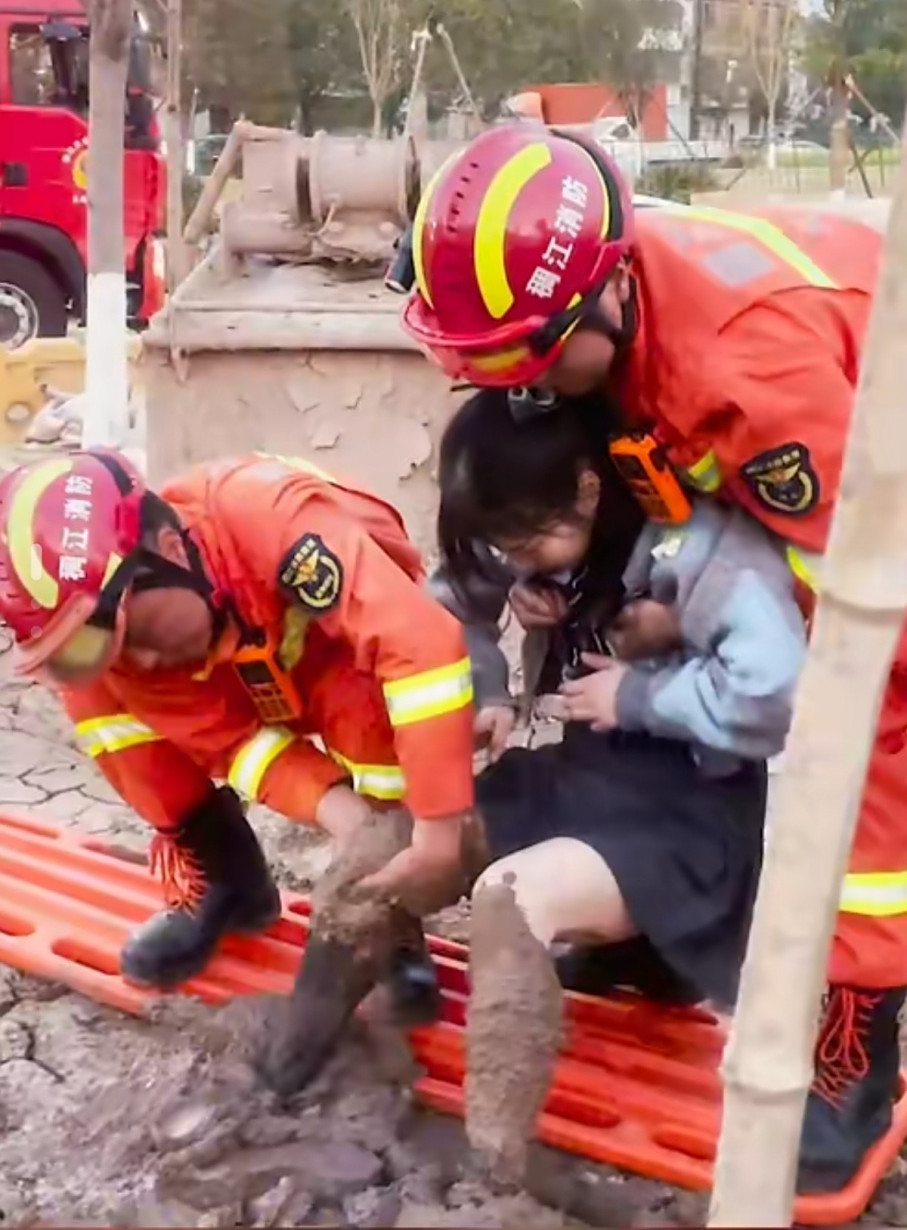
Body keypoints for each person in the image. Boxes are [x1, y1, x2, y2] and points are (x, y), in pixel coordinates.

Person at [400, 120, 902, 1193]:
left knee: (873, 747)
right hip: (837, 421)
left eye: (531, 364)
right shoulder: (616, 314)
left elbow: (848, 617)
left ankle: (848, 1058)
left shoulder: (749, 379)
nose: (524, 392)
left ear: (603, 299)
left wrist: (668, 671)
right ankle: (654, 945)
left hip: (874, 460)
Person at [0, 449, 476, 1017]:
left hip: (333, 653)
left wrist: (436, 831)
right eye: (115, 648)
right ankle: (228, 882)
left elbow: (422, 650)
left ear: (170, 551)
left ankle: (394, 919)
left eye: (138, 635)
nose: (144, 662)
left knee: (368, 705)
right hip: (240, 666)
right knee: (96, 695)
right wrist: (338, 812)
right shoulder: (138, 651)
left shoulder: (270, 521)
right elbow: (232, 745)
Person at [435, 389, 805, 1016]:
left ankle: (498, 1109)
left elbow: (773, 689)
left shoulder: (691, 543)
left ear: (586, 491)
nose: (514, 562)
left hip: (685, 817)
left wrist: (640, 695)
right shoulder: (538, 532)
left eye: (525, 547)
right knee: (420, 828)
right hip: (579, 777)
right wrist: (488, 690)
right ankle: (379, 1009)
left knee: (509, 902)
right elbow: (447, 606)